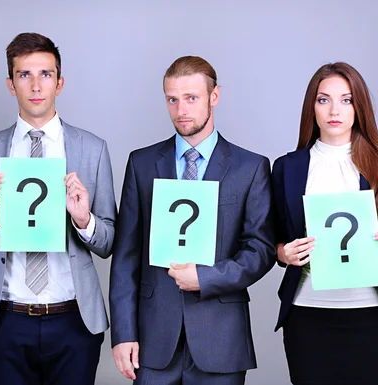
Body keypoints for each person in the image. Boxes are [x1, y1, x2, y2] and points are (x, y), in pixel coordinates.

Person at [109, 55, 276, 385]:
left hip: (220, 337)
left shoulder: (251, 167)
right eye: (172, 99)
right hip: (153, 338)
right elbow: (126, 255)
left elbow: (261, 250)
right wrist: (123, 333)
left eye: (191, 98)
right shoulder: (141, 164)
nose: (181, 109)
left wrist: (207, 277)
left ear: (214, 97)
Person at [0, 32, 116, 385]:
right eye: (24, 75)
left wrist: (84, 220)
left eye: (45, 74)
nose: (36, 85)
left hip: (74, 320)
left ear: (59, 82)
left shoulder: (92, 149)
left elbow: (109, 241)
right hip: (6, 321)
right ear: (11, 84)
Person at [272, 62, 378, 385]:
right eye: (324, 99)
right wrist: (284, 253)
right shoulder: (287, 169)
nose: (335, 109)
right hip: (307, 316)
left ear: (359, 107)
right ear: (312, 107)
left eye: (346, 100)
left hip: (369, 317)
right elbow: (270, 242)